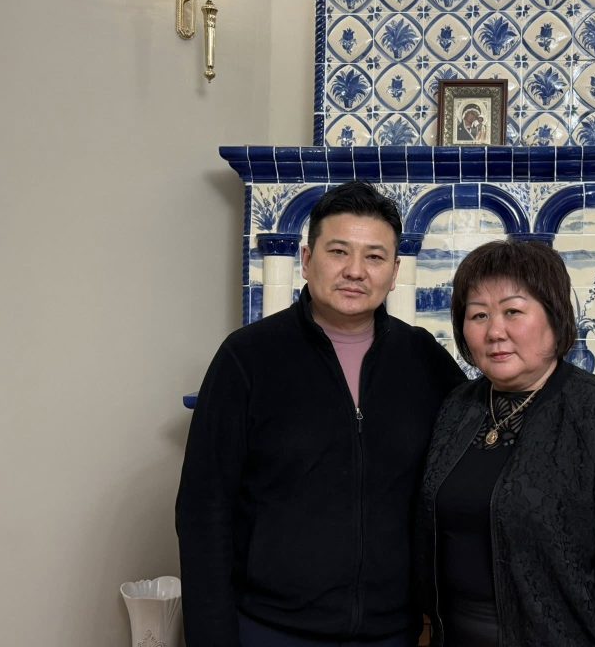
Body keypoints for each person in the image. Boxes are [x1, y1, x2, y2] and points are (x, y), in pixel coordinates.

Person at [177, 181, 467, 647]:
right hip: (269, 629)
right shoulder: (247, 358)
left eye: (374, 257)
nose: (355, 271)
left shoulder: (423, 359)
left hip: (391, 633)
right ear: (308, 259)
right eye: (338, 252)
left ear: (394, 272)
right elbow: (203, 509)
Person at [416, 240, 595, 647]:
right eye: (478, 315)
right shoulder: (457, 409)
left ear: (555, 317)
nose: (495, 332)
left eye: (513, 311)